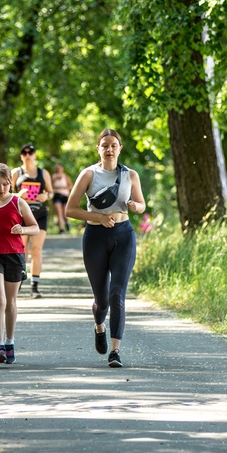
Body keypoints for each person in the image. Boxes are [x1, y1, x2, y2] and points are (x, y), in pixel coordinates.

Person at [65, 129, 146, 368]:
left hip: (124, 236)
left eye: (113, 145)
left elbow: (141, 204)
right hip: (95, 237)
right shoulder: (88, 174)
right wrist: (98, 218)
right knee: (102, 300)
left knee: (117, 293)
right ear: (98, 149)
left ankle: (115, 351)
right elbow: (70, 210)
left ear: (120, 148)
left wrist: (135, 206)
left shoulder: (130, 175)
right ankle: (99, 326)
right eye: (104, 145)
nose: (109, 149)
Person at [0, 163, 39, 364]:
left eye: (5, 185)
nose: (1, 189)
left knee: (10, 302)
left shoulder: (18, 203)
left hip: (14, 254)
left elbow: (35, 227)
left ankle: (10, 342)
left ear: (11, 183)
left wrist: (23, 230)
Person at [12, 144, 54, 298]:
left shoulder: (44, 173)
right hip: (21, 215)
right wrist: (18, 195)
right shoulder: (16, 173)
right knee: (21, 251)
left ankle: (34, 287)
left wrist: (46, 196)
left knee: (36, 250)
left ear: (35, 155)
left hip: (39, 215)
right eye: (24, 152)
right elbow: (5, 194)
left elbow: (51, 193)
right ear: (21, 155)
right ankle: (18, 281)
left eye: (30, 152)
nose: (27, 155)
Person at [52, 163, 73, 233]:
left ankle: (67, 223)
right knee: (59, 213)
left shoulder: (66, 177)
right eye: (57, 168)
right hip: (57, 196)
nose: (58, 170)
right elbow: (50, 186)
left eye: (59, 168)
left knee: (65, 213)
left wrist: (63, 187)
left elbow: (70, 186)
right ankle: (61, 229)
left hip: (64, 196)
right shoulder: (53, 177)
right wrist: (56, 180)